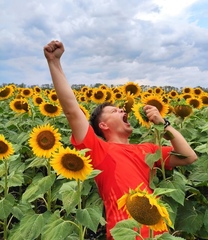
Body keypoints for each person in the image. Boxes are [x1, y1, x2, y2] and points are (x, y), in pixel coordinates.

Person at [43, 40, 198, 239]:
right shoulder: (97, 150)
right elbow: (72, 110)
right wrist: (54, 63)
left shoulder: (148, 150)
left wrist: (164, 123)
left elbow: (188, 157)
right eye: (114, 111)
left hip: (158, 234)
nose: (123, 109)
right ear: (103, 126)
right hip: (125, 234)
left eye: (121, 108)